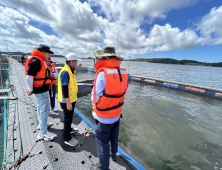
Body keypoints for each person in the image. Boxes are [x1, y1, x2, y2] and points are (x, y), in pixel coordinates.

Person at [91, 46, 128, 170]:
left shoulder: (102, 73)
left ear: (104, 58)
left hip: (103, 117)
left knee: (102, 143)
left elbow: (95, 98)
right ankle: (114, 154)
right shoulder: (124, 73)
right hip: (117, 114)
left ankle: (103, 168)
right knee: (114, 137)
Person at [25, 44, 54, 141]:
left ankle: (42, 124)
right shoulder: (36, 61)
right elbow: (29, 77)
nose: (48, 55)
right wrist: (31, 89)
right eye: (48, 53)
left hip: (42, 89)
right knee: (45, 109)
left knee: (40, 107)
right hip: (40, 90)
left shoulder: (38, 60)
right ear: (43, 52)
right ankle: (43, 133)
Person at [57, 53, 81, 146]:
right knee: (67, 118)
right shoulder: (65, 72)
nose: (77, 64)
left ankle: (69, 129)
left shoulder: (70, 71)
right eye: (76, 62)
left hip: (71, 99)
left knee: (70, 117)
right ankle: (66, 138)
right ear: (72, 61)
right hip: (67, 100)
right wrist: (68, 102)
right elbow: (64, 88)